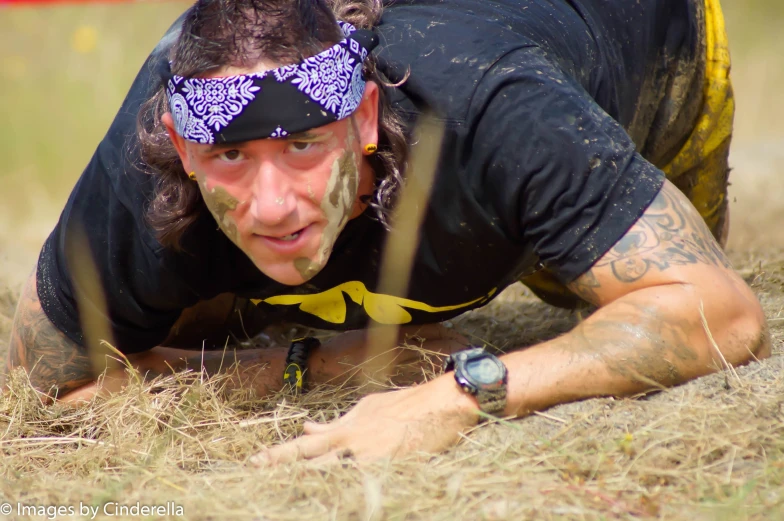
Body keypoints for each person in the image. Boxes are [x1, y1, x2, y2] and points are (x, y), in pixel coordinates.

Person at [5, 0, 770, 464]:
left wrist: (454, 397)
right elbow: (55, 377)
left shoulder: (494, 114)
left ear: (365, 117)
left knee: (588, 292)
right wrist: (313, 367)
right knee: (201, 306)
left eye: (304, 145)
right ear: (178, 141)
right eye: (229, 156)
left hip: (652, 43)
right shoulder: (152, 156)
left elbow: (718, 312)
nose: (271, 204)